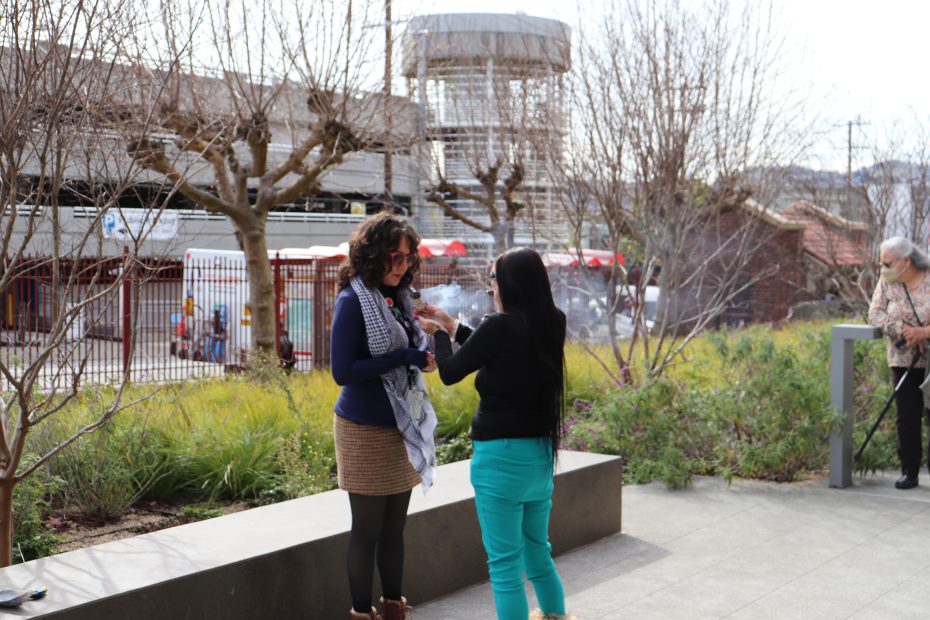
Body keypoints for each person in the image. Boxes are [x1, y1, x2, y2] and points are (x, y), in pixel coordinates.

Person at [418, 247, 576, 620]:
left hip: (499, 462)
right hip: (539, 458)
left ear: (508, 284)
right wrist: (452, 324)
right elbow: (499, 347)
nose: (491, 288)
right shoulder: (553, 322)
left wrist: (438, 334)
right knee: (538, 554)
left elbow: (452, 371)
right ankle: (556, 616)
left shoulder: (499, 326)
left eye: (492, 280)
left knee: (505, 568)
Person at [330, 211, 438, 620]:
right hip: (363, 430)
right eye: (394, 256)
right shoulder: (352, 300)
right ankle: (362, 613)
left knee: (395, 529)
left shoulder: (402, 298)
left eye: (408, 257)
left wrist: (420, 359)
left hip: (402, 425)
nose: (402, 265)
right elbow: (342, 372)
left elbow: (409, 350)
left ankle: (394, 608)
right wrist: (401, 357)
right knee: (368, 530)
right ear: (373, 255)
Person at [869, 236, 930, 490]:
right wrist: (903, 330)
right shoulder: (887, 281)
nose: (883, 268)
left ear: (906, 261)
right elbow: (875, 313)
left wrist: (924, 333)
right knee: (907, 416)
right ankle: (909, 471)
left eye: (887, 263)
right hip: (903, 359)